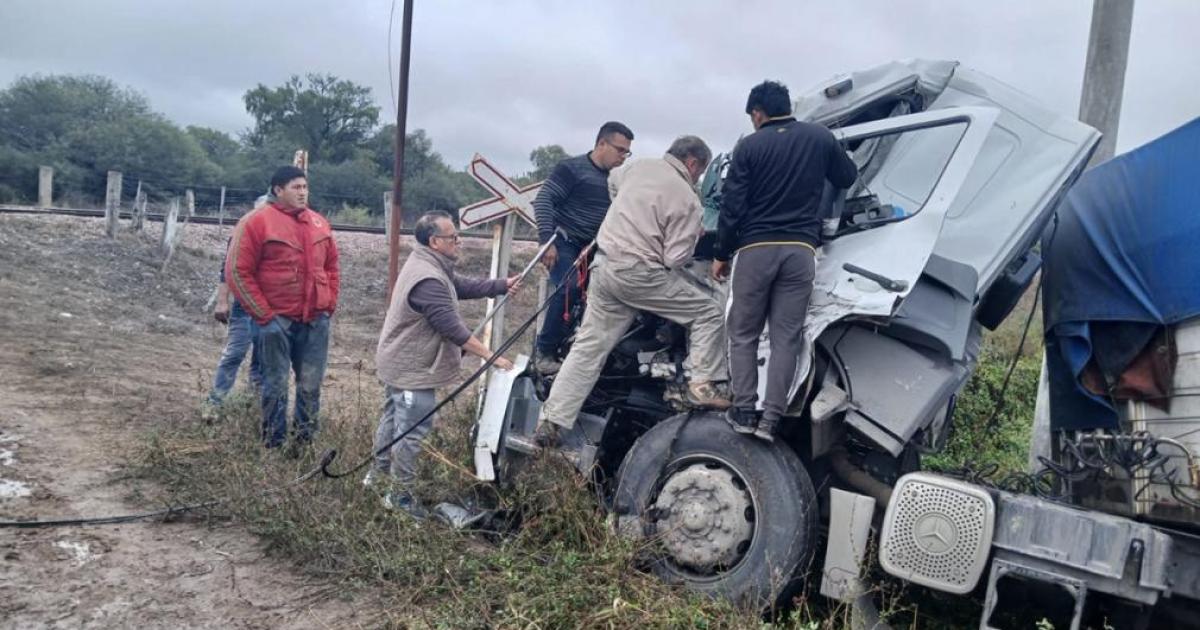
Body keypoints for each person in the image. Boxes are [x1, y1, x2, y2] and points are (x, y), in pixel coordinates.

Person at [535, 136, 730, 448]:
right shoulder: (687, 198)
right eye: (700, 171)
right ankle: (702, 384)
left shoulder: (636, 168)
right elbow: (675, 259)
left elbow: (613, 185)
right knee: (708, 311)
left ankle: (551, 421)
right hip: (640, 275)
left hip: (605, 268)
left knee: (588, 348)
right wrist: (692, 236)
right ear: (692, 163)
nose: (698, 177)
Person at [711, 80, 858, 442]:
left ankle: (744, 410)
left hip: (756, 250)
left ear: (757, 113)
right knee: (786, 338)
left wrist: (720, 253)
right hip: (800, 252)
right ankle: (771, 419)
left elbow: (732, 207)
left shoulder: (749, 146)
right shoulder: (820, 138)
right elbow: (847, 176)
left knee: (743, 333)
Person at [371, 211, 520, 516]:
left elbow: (460, 287)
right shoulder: (428, 279)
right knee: (410, 433)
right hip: (413, 369)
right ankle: (399, 498)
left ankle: (376, 478)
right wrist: (493, 357)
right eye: (453, 237)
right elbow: (453, 329)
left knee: (392, 422)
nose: (458, 241)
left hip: (400, 362)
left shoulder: (428, 263)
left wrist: (501, 285)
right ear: (435, 241)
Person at [226, 166, 340, 449]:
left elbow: (332, 267)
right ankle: (273, 444)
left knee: (310, 386)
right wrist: (265, 316)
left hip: (315, 320)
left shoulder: (319, 223)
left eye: (305, 187)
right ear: (278, 190)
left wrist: (328, 305)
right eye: (296, 187)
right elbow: (237, 272)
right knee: (275, 386)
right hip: (276, 321)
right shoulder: (256, 222)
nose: (303, 192)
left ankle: (304, 445)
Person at [532, 121, 634, 375]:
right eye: (620, 150)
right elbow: (544, 199)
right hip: (565, 241)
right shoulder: (571, 169)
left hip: (597, 248)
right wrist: (547, 242)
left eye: (627, 153)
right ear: (601, 144)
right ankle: (543, 352)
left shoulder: (619, 179)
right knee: (570, 287)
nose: (623, 157)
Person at [203, 261, 263, 410]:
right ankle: (214, 405)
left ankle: (252, 409)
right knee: (234, 354)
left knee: (262, 360)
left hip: (273, 307)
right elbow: (229, 266)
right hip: (244, 306)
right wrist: (222, 301)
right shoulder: (241, 236)